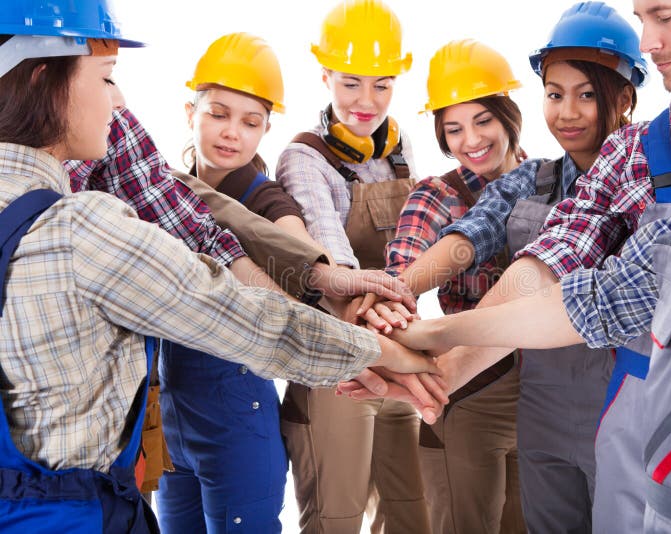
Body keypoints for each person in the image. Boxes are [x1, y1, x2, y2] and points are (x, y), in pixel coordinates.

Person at [0, 1, 439, 531]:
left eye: (251, 120)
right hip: (82, 501)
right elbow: (246, 319)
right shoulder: (86, 230)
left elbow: (195, 216)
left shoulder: (118, 188)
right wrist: (386, 352)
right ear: (48, 78)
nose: (117, 101)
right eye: (107, 78)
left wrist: (319, 275)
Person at [379, 0, 671, 528]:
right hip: (623, 415)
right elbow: (560, 276)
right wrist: (435, 351)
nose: (647, 39)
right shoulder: (632, 153)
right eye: (555, 95)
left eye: (663, 17)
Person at [381, 24, 641, 531]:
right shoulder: (534, 179)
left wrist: (442, 344)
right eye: (555, 94)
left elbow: (553, 268)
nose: (567, 112)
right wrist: (395, 290)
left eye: (586, 95)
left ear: (623, 97)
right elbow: (469, 238)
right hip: (541, 404)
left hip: (624, 402)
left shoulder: (651, 167)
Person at [275, 0, 429, 532]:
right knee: (336, 519)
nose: (367, 102)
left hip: (396, 347)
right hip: (333, 361)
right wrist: (387, 325)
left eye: (382, 84)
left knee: (412, 514)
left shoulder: (401, 146)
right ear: (324, 76)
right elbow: (334, 261)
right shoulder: (304, 158)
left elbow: (414, 240)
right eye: (350, 83)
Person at [153, 32, 304, 533]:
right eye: (218, 113)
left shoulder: (264, 199)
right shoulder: (160, 194)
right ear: (189, 112)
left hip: (237, 414)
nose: (231, 132)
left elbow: (296, 247)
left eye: (251, 121)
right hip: (172, 415)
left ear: (266, 130)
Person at [384, 39, 526, 534]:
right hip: (469, 395)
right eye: (453, 128)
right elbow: (402, 264)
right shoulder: (438, 195)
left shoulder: (551, 181)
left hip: (543, 394)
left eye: (482, 120)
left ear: (508, 115)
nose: (471, 140)